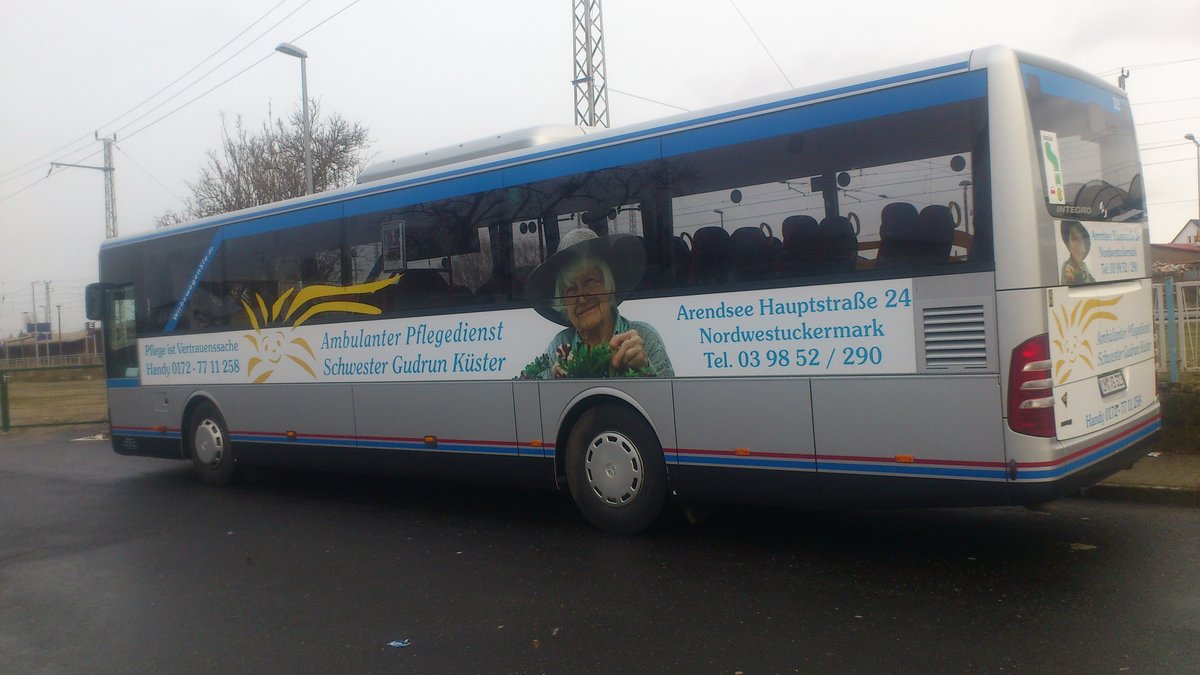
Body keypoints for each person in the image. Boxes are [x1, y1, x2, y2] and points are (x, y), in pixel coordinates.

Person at [524, 227, 673, 378]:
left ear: (609, 287)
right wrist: (552, 382)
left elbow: (668, 399)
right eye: (571, 289)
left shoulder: (645, 337)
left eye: (590, 281)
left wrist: (645, 370)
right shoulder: (561, 345)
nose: (581, 298)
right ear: (563, 303)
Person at [1060, 220, 1096, 284]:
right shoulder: (1066, 268)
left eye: (1081, 240)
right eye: (1074, 239)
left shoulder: (1084, 266)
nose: (1078, 245)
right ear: (1069, 244)